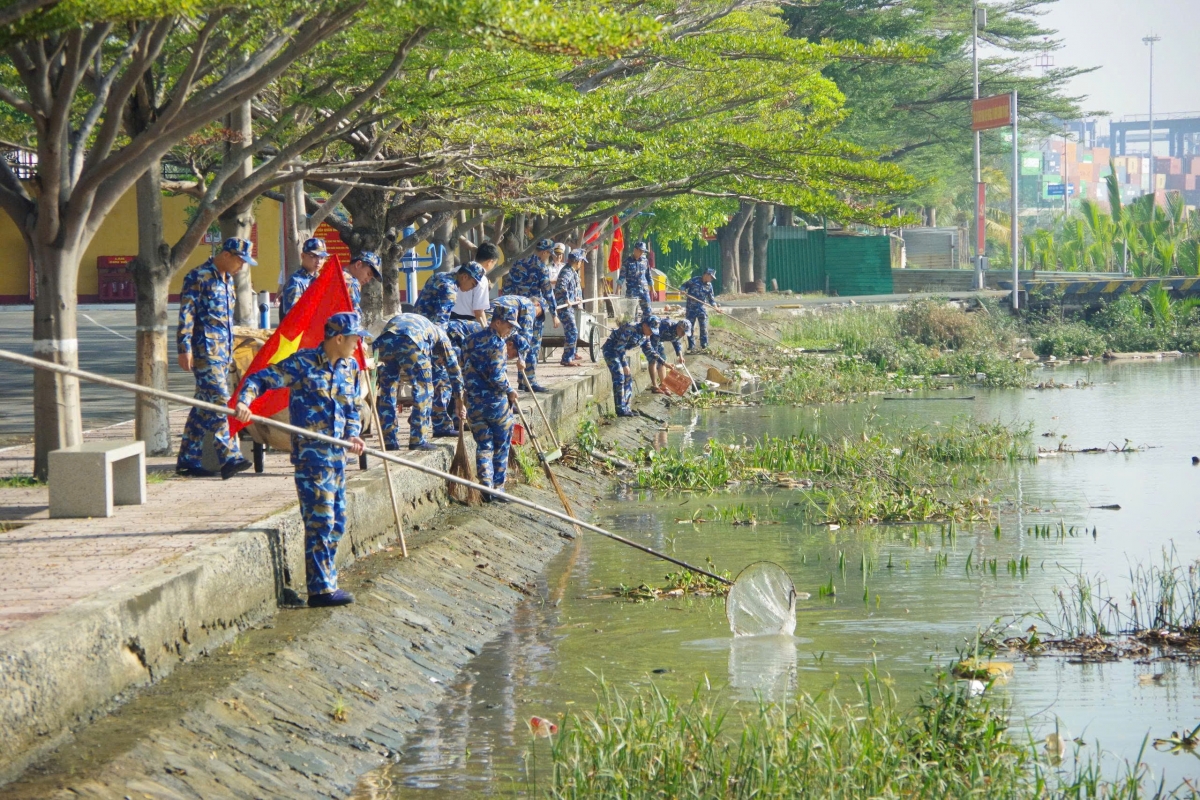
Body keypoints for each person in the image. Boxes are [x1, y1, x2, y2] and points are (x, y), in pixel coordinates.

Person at [234, 312, 368, 607]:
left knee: (337, 523)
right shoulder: (303, 363)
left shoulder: (350, 367)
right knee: (321, 523)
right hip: (312, 458)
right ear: (339, 338)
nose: (358, 344)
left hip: (337, 458)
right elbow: (261, 379)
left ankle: (328, 581)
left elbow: (352, 408)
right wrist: (244, 401)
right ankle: (320, 590)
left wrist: (353, 435)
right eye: (355, 338)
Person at [176, 237, 256, 479]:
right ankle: (229, 456)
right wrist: (184, 347)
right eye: (240, 261)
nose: (242, 266)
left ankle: (188, 460)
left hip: (223, 353)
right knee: (221, 402)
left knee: (203, 407)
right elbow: (187, 313)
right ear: (226, 255)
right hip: (205, 352)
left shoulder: (227, 280)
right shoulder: (198, 276)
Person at [373, 313, 463, 451]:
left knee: (388, 390)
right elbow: (453, 369)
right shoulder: (442, 337)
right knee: (424, 388)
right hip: (411, 340)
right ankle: (418, 440)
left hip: (384, 341)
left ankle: (389, 441)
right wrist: (459, 400)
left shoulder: (426, 326)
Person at [460, 305, 521, 501]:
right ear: (498, 322)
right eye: (509, 326)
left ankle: (485, 484)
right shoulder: (498, 344)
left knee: (483, 445)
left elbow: (463, 367)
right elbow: (496, 375)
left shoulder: (469, 340)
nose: (510, 330)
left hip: (474, 403)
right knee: (501, 444)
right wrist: (510, 390)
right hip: (495, 403)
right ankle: (498, 487)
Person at [602, 316, 657, 417]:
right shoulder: (630, 328)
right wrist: (624, 365)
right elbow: (619, 347)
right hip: (611, 350)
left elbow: (650, 351)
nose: (651, 333)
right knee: (619, 376)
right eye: (651, 330)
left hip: (620, 353)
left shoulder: (645, 336)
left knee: (628, 378)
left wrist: (664, 363)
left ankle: (626, 408)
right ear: (645, 325)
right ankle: (620, 410)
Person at [492, 293, 547, 392]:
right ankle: (529, 382)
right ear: (537, 305)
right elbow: (526, 337)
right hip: (494, 318)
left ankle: (517, 383)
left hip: (488, 315)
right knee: (525, 347)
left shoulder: (518, 301)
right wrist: (521, 359)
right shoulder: (529, 306)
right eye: (539, 314)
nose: (535, 317)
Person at [506, 238, 558, 341]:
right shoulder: (541, 268)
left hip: (516, 310)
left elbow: (507, 288)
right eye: (549, 254)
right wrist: (554, 314)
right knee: (533, 345)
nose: (549, 257)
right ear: (544, 252)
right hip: (533, 311)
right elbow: (547, 292)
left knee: (517, 342)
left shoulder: (517, 263)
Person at [416, 260, 484, 326]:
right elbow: (440, 323)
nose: (473, 288)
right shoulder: (450, 290)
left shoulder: (439, 275)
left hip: (415, 321)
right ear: (465, 277)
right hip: (425, 328)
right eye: (473, 284)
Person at [450, 242, 500, 324]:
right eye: (494, 264)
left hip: (447, 317)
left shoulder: (456, 270)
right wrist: (485, 329)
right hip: (466, 323)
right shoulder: (481, 279)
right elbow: (478, 312)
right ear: (490, 262)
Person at [279, 237, 329, 320]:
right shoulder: (295, 282)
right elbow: (292, 316)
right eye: (313, 256)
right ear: (303, 256)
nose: (318, 261)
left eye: (322, 257)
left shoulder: (319, 279)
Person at [554, 248, 586, 366]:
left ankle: (571, 355)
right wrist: (567, 299)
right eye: (581, 261)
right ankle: (567, 358)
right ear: (577, 261)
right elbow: (561, 286)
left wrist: (575, 298)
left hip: (570, 306)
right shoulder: (567, 271)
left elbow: (572, 288)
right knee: (572, 331)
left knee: (572, 331)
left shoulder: (572, 272)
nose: (581, 264)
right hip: (564, 307)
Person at [642, 317, 691, 392]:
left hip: (659, 340)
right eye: (683, 332)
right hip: (650, 339)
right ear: (679, 327)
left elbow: (676, 342)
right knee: (653, 360)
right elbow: (654, 349)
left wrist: (680, 356)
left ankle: (664, 385)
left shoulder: (678, 333)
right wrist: (664, 363)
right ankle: (655, 386)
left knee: (663, 358)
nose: (683, 334)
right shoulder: (666, 326)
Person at [679, 267, 718, 351]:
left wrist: (716, 307)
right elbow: (684, 285)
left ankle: (704, 345)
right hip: (691, 308)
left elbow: (711, 299)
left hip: (701, 309)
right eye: (711, 277)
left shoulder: (709, 286)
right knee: (690, 327)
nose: (711, 279)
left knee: (703, 327)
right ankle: (691, 347)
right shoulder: (694, 280)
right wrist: (682, 290)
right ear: (706, 274)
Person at [619, 240, 653, 320]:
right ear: (635, 250)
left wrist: (652, 288)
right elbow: (622, 276)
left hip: (644, 290)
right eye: (640, 251)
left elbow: (648, 275)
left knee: (648, 311)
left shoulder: (645, 261)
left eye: (643, 251)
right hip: (632, 291)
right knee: (632, 314)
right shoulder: (627, 261)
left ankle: (645, 325)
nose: (641, 253)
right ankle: (633, 326)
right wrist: (618, 289)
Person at [344, 251, 382, 317]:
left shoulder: (336, 273)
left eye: (371, 278)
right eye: (368, 274)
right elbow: (354, 316)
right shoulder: (351, 282)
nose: (368, 280)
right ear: (358, 264)